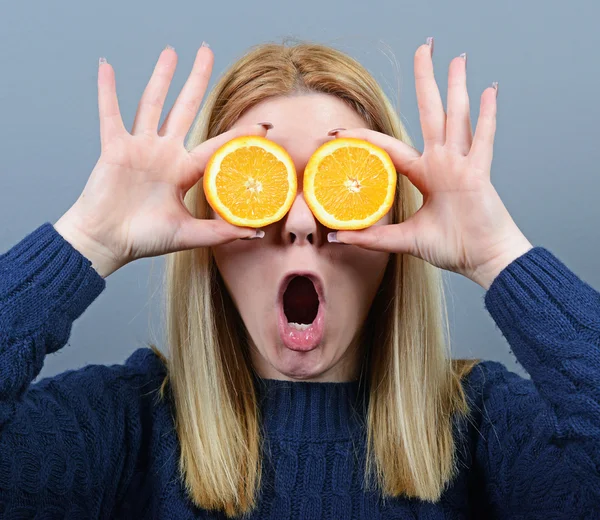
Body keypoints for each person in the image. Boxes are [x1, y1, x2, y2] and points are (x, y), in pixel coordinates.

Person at [0, 38, 598, 519]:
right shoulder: (128, 423)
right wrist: (86, 241)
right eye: (261, 184)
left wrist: (500, 255)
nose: (303, 220)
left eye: (339, 185)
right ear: (206, 222)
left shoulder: (481, 425)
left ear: (395, 224)